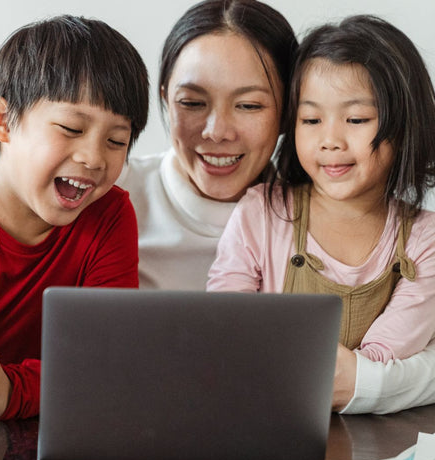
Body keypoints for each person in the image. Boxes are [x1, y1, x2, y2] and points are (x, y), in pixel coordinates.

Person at [207, 15, 435, 403]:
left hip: (373, 429)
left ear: (403, 125)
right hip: (262, 410)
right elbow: (225, 325)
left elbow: (381, 360)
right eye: (311, 119)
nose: (329, 140)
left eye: (356, 119)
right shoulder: (260, 212)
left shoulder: (424, 239)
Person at [0, 15, 149, 420]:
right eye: (71, 128)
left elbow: (105, 366)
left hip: (53, 438)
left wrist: (9, 390)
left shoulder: (110, 216)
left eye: (116, 141)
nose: (94, 158)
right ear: (3, 121)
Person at [117, 0, 298, 290]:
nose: (216, 132)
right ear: (165, 99)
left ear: (289, 112)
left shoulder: (326, 221)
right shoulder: (106, 198)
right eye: (192, 103)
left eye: (248, 105)